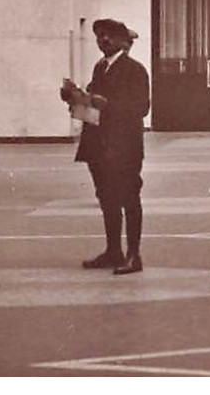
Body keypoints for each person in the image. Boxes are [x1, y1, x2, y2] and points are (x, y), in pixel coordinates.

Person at [60, 18, 150, 275]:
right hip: (99, 145)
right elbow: (92, 103)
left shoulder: (135, 70)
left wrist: (106, 104)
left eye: (109, 35)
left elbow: (141, 107)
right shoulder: (100, 68)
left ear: (124, 40)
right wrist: (75, 98)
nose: (103, 40)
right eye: (99, 36)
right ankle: (113, 250)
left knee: (129, 197)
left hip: (124, 146)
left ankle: (134, 255)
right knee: (107, 198)